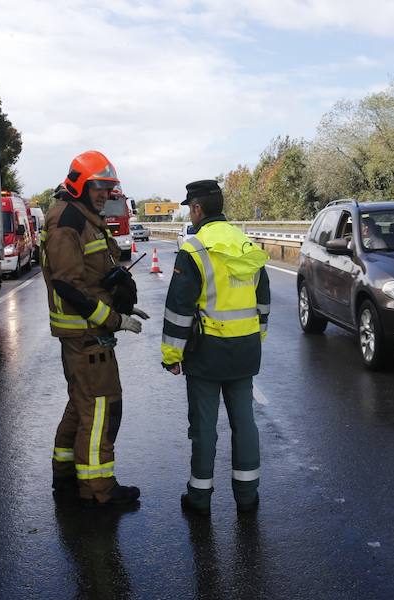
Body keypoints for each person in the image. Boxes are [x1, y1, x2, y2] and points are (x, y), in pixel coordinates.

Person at [42, 150, 149, 508]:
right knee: (101, 409)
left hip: (86, 332)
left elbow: (90, 276)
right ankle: (98, 489)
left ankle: (66, 476)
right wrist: (114, 320)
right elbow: (67, 285)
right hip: (86, 334)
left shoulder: (81, 216)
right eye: (99, 187)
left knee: (82, 405)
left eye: (108, 188)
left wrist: (122, 304)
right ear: (79, 185)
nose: (105, 194)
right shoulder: (69, 220)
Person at [161, 179, 271, 516]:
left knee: (204, 427)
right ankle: (247, 498)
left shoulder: (194, 249)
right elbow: (263, 301)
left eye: (190, 209)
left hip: (206, 352)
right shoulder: (246, 243)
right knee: (245, 422)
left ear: (197, 209)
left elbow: (179, 309)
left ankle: (199, 498)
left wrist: (171, 355)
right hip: (245, 349)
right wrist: (254, 338)